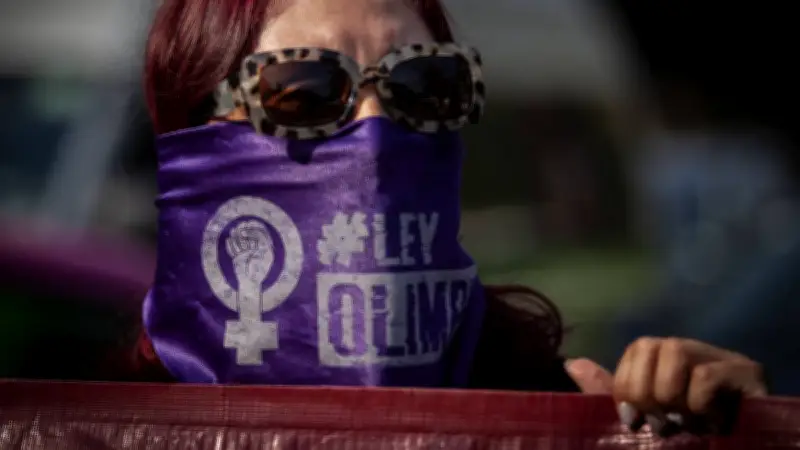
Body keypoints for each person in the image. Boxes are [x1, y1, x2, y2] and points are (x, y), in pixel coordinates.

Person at [110, 0, 766, 434]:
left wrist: (749, 434)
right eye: (303, 91)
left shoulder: (561, 414)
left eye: (423, 86)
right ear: (195, 136)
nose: (377, 133)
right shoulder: (93, 426)